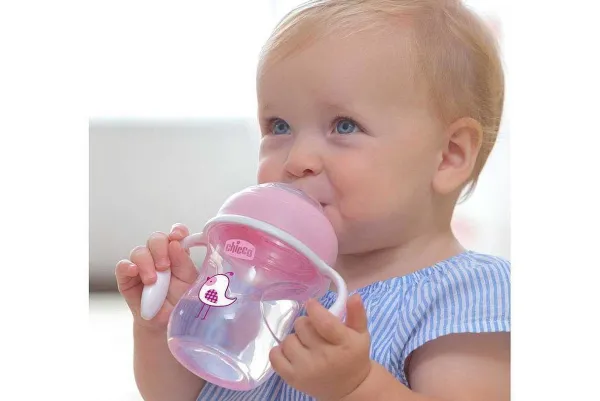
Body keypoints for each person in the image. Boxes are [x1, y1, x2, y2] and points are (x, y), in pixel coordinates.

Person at [115, 0, 510, 400]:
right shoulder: (265, 279)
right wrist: (161, 327)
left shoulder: (469, 296)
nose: (297, 159)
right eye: (279, 126)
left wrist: (357, 387)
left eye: (344, 126)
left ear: (448, 156)